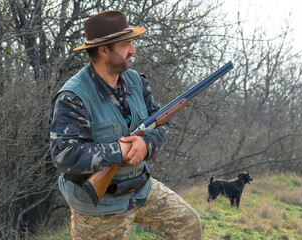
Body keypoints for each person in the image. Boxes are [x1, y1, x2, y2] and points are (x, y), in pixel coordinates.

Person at [49, 10, 202, 240]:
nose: (133, 50)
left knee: (188, 224)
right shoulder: (73, 97)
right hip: (98, 205)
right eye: (127, 44)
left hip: (139, 187)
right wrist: (120, 151)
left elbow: (162, 124)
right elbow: (64, 155)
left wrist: (146, 144)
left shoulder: (136, 81)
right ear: (104, 51)